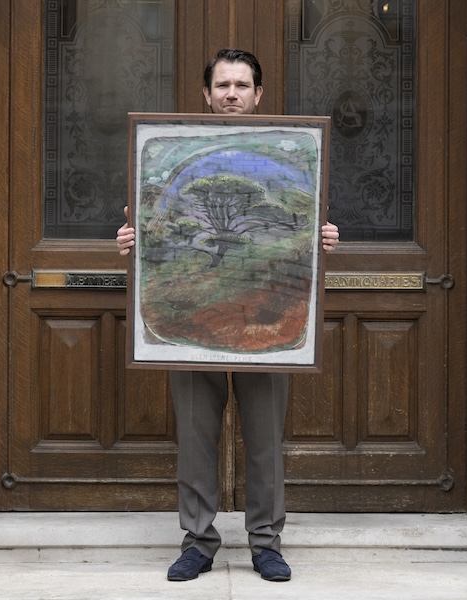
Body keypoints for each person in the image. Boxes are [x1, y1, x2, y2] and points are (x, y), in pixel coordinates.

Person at [116, 48, 339, 583]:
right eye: (223, 85)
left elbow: (299, 232)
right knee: (196, 439)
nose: (232, 94)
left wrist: (324, 239)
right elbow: (155, 228)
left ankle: (266, 543)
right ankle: (198, 541)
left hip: (267, 323)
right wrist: (131, 241)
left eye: (241, 85)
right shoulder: (170, 149)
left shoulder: (296, 152)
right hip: (192, 328)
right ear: (206, 93)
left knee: (264, 442)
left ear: (258, 94)